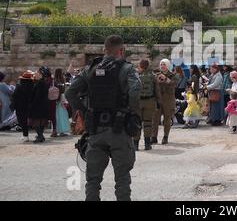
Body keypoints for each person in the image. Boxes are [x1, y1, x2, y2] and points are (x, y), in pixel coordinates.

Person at [65, 35, 141, 201]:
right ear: (121, 50)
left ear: (105, 49)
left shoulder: (90, 69)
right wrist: (131, 111)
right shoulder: (127, 69)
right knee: (122, 178)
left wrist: (84, 112)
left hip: (96, 130)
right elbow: (135, 91)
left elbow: (69, 92)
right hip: (119, 129)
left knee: (93, 179)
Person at [135, 59, 160, 151]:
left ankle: (135, 144)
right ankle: (147, 144)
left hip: (138, 102)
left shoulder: (136, 76)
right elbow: (157, 91)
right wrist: (158, 102)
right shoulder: (153, 76)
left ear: (140, 66)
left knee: (137, 123)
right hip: (150, 101)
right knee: (148, 123)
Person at [153, 59, 178, 145]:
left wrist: (166, 79)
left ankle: (165, 136)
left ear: (167, 65)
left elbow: (175, 83)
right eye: (161, 64)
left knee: (167, 119)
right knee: (155, 119)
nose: (162, 66)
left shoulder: (173, 75)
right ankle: (154, 137)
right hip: (158, 99)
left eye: (164, 64)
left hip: (168, 99)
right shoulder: (156, 75)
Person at [29, 67, 51, 143]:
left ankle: (40, 136)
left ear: (41, 74)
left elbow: (37, 96)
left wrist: (32, 104)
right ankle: (40, 136)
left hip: (38, 105)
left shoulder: (40, 83)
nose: (35, 74)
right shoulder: (43, 82)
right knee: (41, 121)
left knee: (36, 122)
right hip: (43, 105)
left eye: (37, 73)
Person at [11, 71, 34, 142]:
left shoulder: (19, 86)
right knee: (28, 120)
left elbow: (14, 97)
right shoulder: (33, 86)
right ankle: (26, 135)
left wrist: (12, 106)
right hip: (29, 106)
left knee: (22, 121)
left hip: (20, 106)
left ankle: (25, 135)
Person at [54, 68, 70, 137]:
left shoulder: (54, 81)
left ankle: (57, 130)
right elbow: (63, 91)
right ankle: (62, 130)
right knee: (63, 115)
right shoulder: (62, 81)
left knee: (57, 115)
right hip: (62, 99)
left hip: (56, 99)